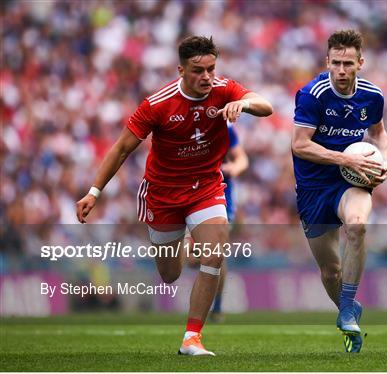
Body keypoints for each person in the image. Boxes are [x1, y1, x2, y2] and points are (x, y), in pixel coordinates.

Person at [76, 36, 272, 356]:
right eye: (198, 70)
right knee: (170, 274)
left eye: (211, 69)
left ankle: (191, 338)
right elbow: (123, 148)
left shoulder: (224, 89)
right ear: (181, 70)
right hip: (164, 194)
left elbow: (266, 106)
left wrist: (244, 103)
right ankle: (182, 242)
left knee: (214, 251)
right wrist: (94, 192)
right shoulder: (157, 104)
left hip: (206, 186)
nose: (206, 76)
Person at [291, 30, 387, 353]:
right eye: (336, 63)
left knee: (358, 225)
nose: (342, 70)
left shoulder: (372, 96)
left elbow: (378, 132)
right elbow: (299, 144)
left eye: (349, 63)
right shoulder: (312, 95)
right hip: (313, 186)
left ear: (361, 63)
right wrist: (343, 157)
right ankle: (348, 307)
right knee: (330, 270)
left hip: (351, 179)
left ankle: (346, 309)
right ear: (327, 62)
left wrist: (384, 160)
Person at [183, 122, 249, 323]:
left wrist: (233, 168)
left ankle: (217, 306)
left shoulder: (224, 128)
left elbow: (241, 159)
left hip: (220, 197)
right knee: (193, 260)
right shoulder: (179, 124)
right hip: (188, 195)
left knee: (215, 255)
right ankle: (212, 299)